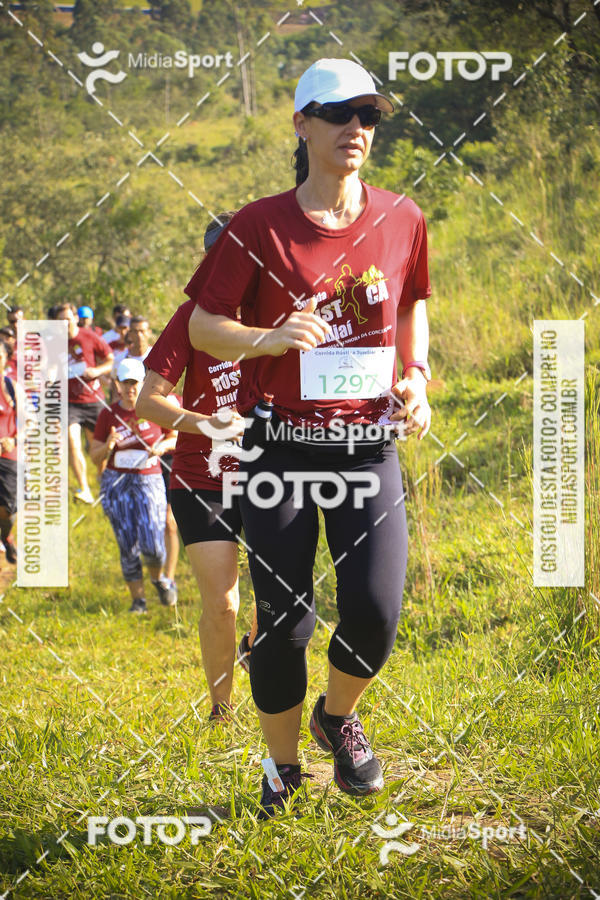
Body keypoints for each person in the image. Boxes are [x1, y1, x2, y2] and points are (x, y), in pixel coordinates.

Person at [187, 58, 432, 816]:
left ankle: (337, 716)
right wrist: (268, 338)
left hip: (368, 448)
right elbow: (203, 324)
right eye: (339, 113)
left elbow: (410, 306)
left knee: (375, 612)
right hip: (281, 450)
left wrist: (417, 375)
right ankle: (282, 768)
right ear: (302, 124)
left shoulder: (402, 216)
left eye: (370, 116)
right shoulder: (258, 224)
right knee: (286, 625)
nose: (356, 128)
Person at [136, 214, 257, 724]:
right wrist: (205, 423)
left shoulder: (276, 317)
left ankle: (255, 646)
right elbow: (148, 401)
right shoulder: (189, 319)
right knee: (223, 602)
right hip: (200, 477)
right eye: (217, 257)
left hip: (267, 476)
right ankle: (221, 709)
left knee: (283, 598)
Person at [90, 357, 177, 613]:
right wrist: (108, 445)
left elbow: (174, 437)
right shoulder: (108, 413)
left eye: (135, 383)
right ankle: (138, 601)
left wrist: (162, 446)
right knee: (127, 542)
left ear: (143, 383)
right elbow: (95, 455)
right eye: (125, 383)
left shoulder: (154, 408)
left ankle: (157, 578)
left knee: (152, 541)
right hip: (117, 482)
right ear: (118, 384)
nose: (130, 388)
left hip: (149, 478)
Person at [55, 302, 114, 504]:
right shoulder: (55, 342)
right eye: (61, 320)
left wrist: (96, 371)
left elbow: (110, 359)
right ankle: (84, 489)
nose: (65, 323)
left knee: (98, 445)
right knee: (73, 442)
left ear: (75, 318)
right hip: (69, 401)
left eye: (68, 318)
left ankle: (103, 480)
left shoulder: (89, 337)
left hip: (92, 398)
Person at [0, 341, 17, 564]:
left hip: (8, 455)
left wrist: (14, 440)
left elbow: (31, 421)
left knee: (7, 509)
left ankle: (6, 536)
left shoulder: (11, 386)